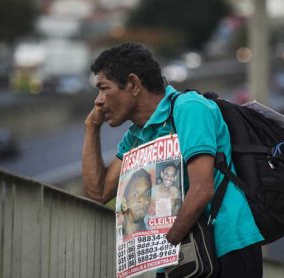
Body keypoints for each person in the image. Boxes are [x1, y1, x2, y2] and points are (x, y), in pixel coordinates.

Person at [82, 42, 264, 277]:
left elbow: (202, 189)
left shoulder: (189, 109)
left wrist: (163, 247)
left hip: (227, 246)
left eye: (104, 88)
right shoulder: (136, 136)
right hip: (181, 252)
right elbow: (99, 192)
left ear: (133, 84)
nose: (98, 100)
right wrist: (91, 127)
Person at [120, 168, 152, 235]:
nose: (142, 199)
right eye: (135, 194)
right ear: (124, 202)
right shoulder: (113, 231)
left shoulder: (153, 233)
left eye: (147, 193)